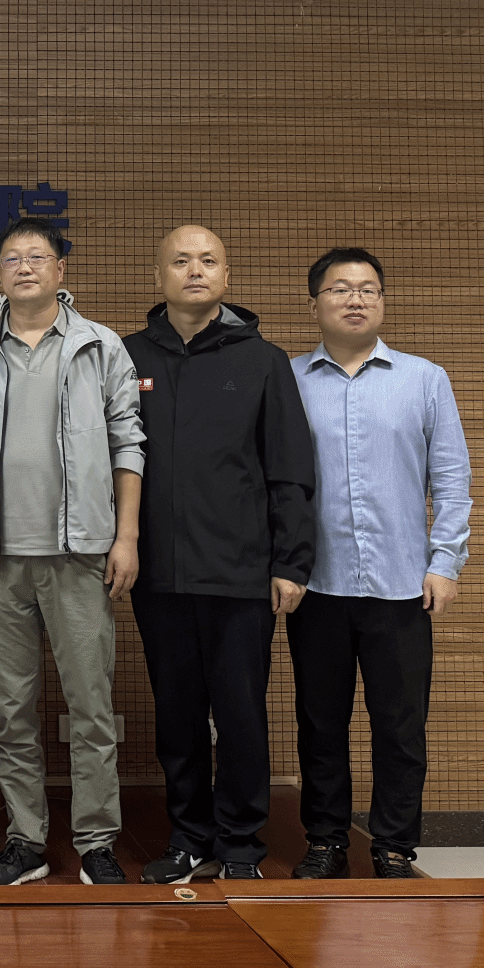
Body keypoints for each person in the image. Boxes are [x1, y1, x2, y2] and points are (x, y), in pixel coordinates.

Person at [0, 216, 145, 887]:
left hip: (80, 554)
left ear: (61, 269)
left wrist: (126, 536)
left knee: (91, 708)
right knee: (12, 713)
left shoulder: (100, 347)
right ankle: (25, 840)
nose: (25, 266)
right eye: (12, 258)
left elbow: (128, 442)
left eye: (38, 256)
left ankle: (97, 842)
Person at [123, 225, 316, 883]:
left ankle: (239, 845)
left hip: (241, 573)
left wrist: (291, 562)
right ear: (159, 276)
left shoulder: (263, 360)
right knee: (175, 717)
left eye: (208, 260)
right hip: (158, 574)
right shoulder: (127, 356)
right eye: (180, 261)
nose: (195, 271)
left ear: (227, 277)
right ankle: (188, 838)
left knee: (239, 716)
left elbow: (289, 469)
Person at [288, 248, 471, 881]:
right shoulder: (287, 380)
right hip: (317, 584)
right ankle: (325, 840)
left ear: (383, 302)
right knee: (320, 723)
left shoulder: (425, 379)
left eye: (368, 289)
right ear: (315, 304)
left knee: (400, 726)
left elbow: (452, 479)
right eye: (340, 288)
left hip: (402, 586)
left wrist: (445, 562)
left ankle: (394, 845)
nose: (356, 299)